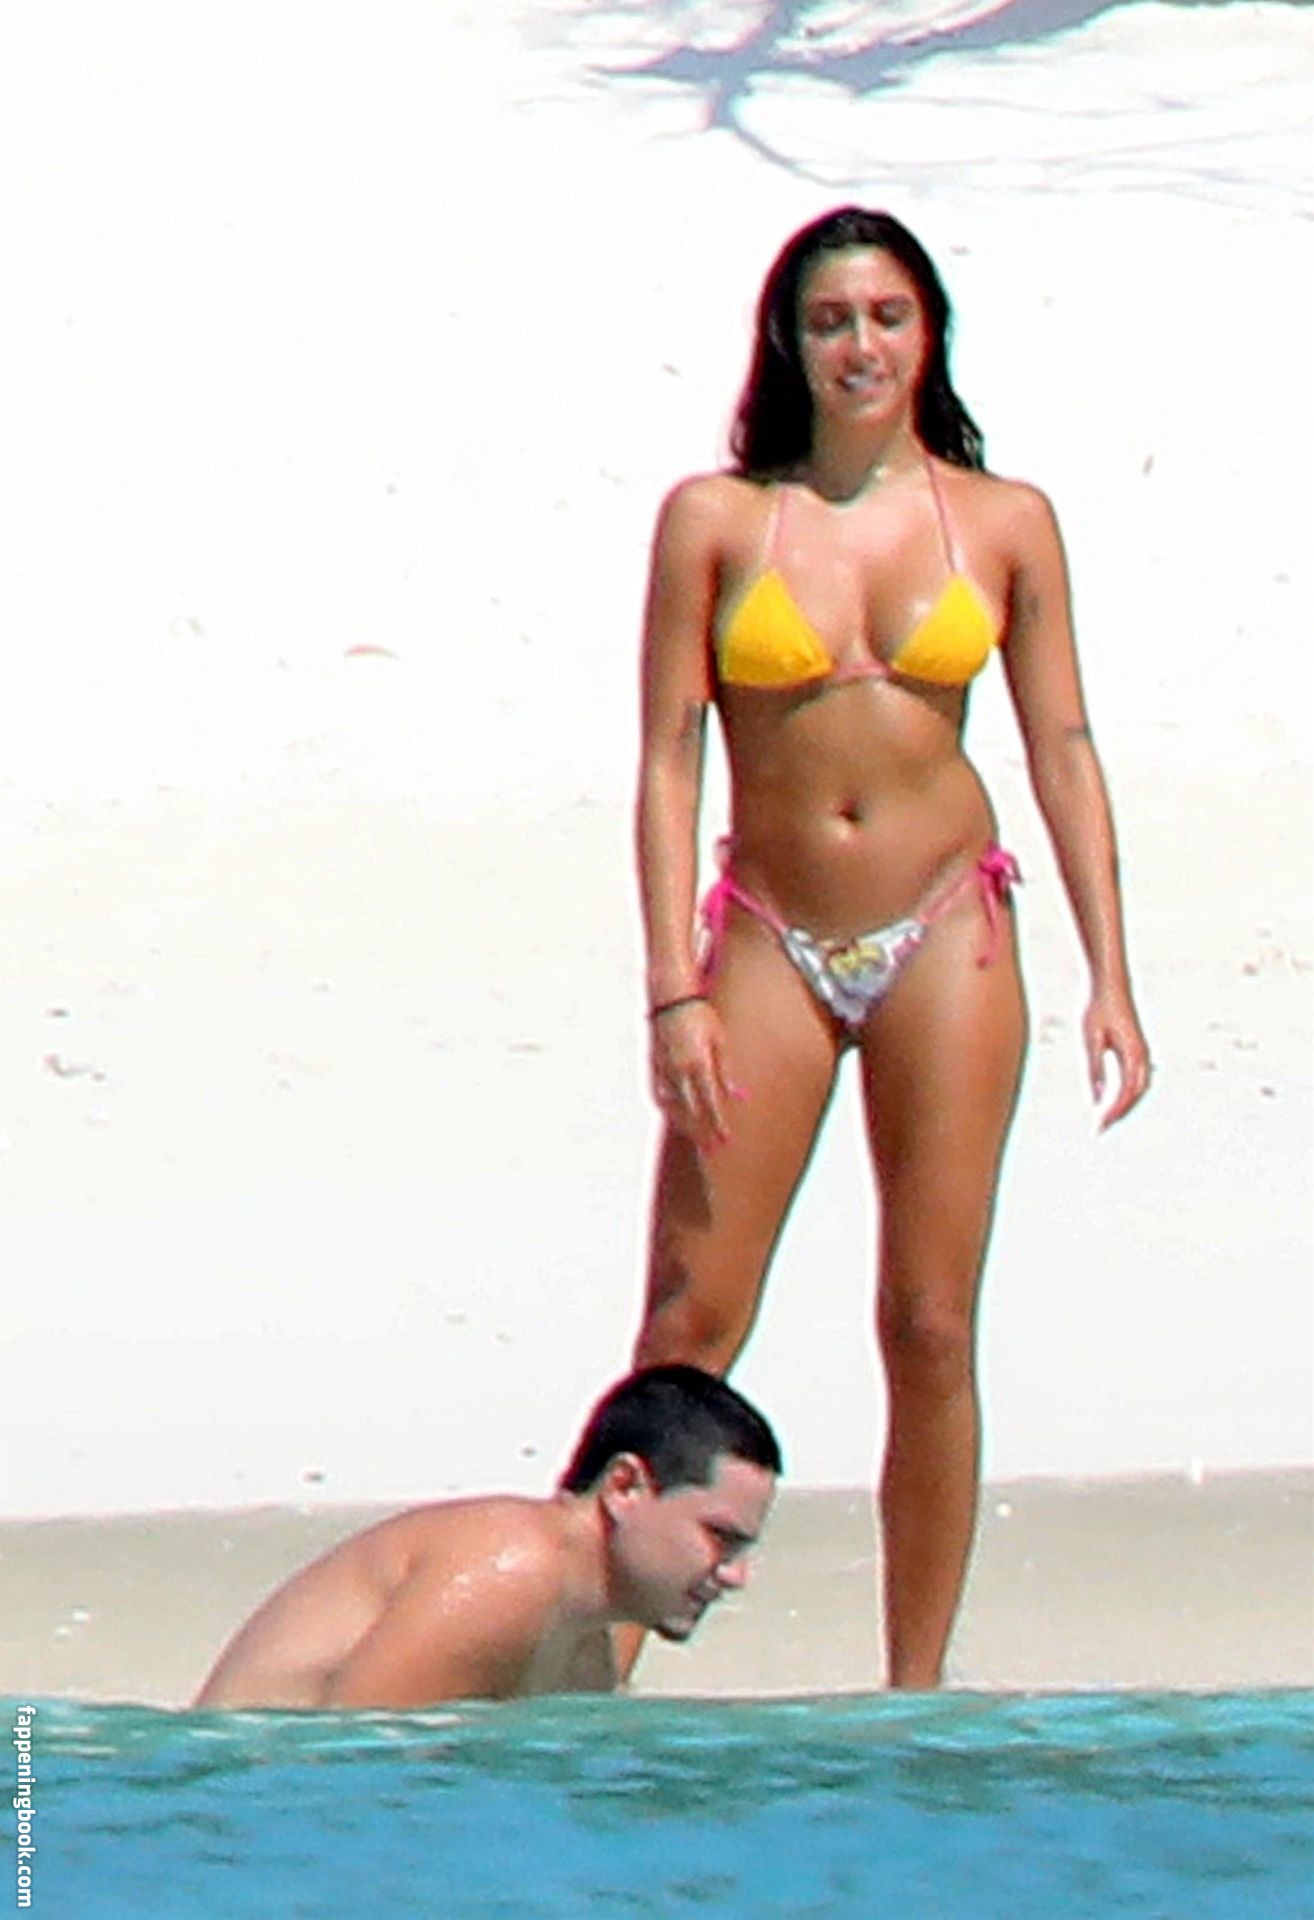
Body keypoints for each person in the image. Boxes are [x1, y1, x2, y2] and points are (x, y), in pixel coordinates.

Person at [632, 206, 1150, 1691]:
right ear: (788, 345)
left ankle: (913, 1698)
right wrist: (672, 986)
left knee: (927, 1322)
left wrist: (1111, 975)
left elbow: (1061, 746)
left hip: (945, 929)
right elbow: (669, 757)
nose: (858, 345)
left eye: (885, 316)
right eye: (829, 320)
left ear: (927, 336)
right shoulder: (718, 521)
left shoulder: (1004, 522)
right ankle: (585, 1666)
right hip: (767, 935)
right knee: (689, 1322)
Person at [192, 1365, 779, 1710]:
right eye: (719, 1537)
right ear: (624, 1487)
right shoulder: (512, 1574)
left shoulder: (583, 1637)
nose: (735, 1575)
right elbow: (352, 1780)